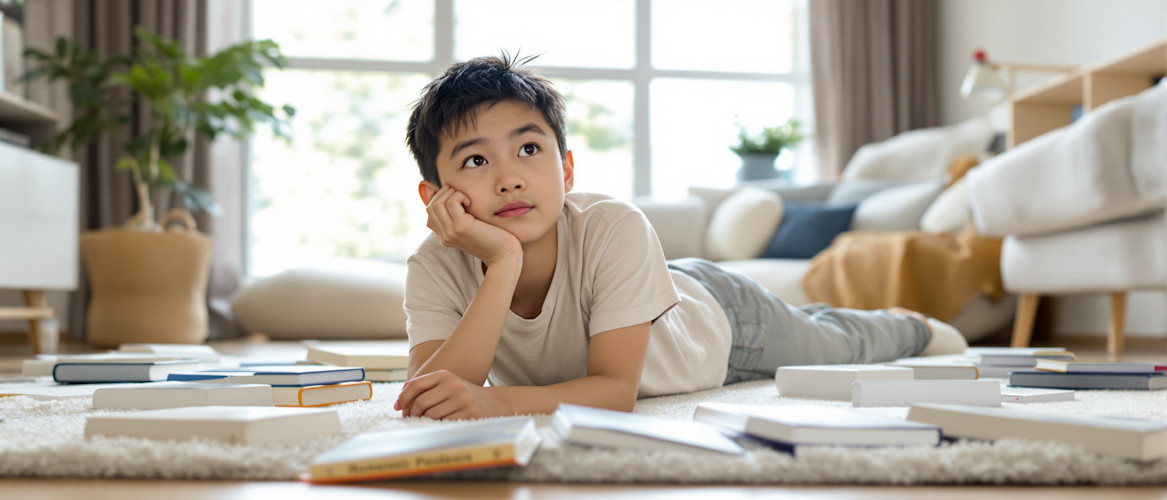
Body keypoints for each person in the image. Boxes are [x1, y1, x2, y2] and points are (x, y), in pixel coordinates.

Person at [395, 53, 967, 421]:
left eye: (528, 148)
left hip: (723, 323)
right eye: (474, 159)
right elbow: (431, 396)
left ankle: (907, 323)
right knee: (822, 333)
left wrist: (496, 403)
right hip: (667, 300)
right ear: (434, 195)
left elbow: (616, 391)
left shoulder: (613, 225)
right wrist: (502, 266)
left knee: (840, 346)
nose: (509, 176)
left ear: (566, 170)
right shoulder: (433, 265)